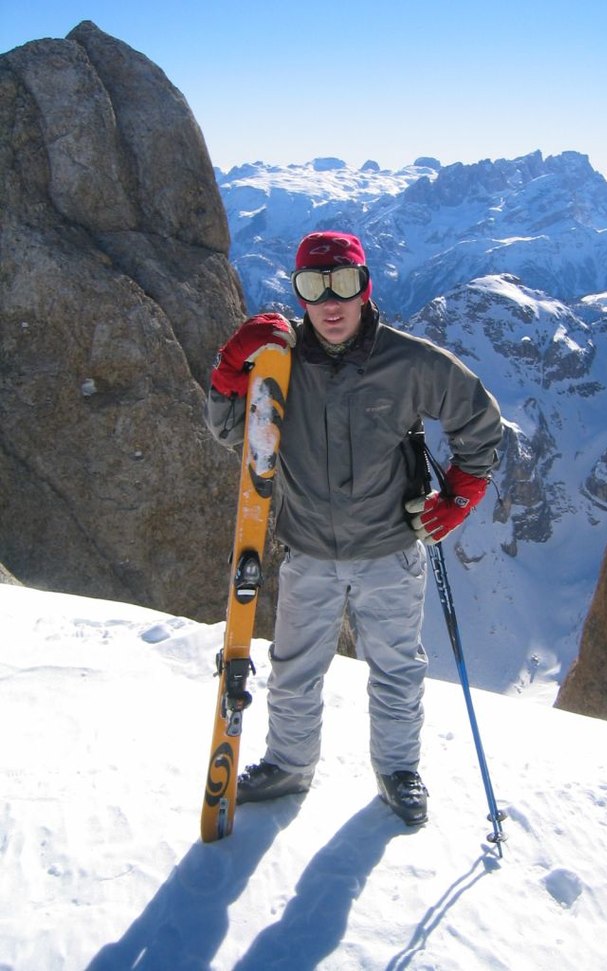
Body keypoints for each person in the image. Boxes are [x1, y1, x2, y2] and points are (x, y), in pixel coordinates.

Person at [204, 231, 502, 825]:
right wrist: (228, 372)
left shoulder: (408, 362)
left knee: (396, 668)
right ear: (300, 294)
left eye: (345, 284)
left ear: (367, 287)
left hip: (389, 550)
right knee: (294, 669)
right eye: (315, 287)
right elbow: (230, 430)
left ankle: (397, 770)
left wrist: (463, 492)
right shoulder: (279, 362)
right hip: (309, 550)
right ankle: (290, 765)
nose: (331, 302)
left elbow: (479, 420)